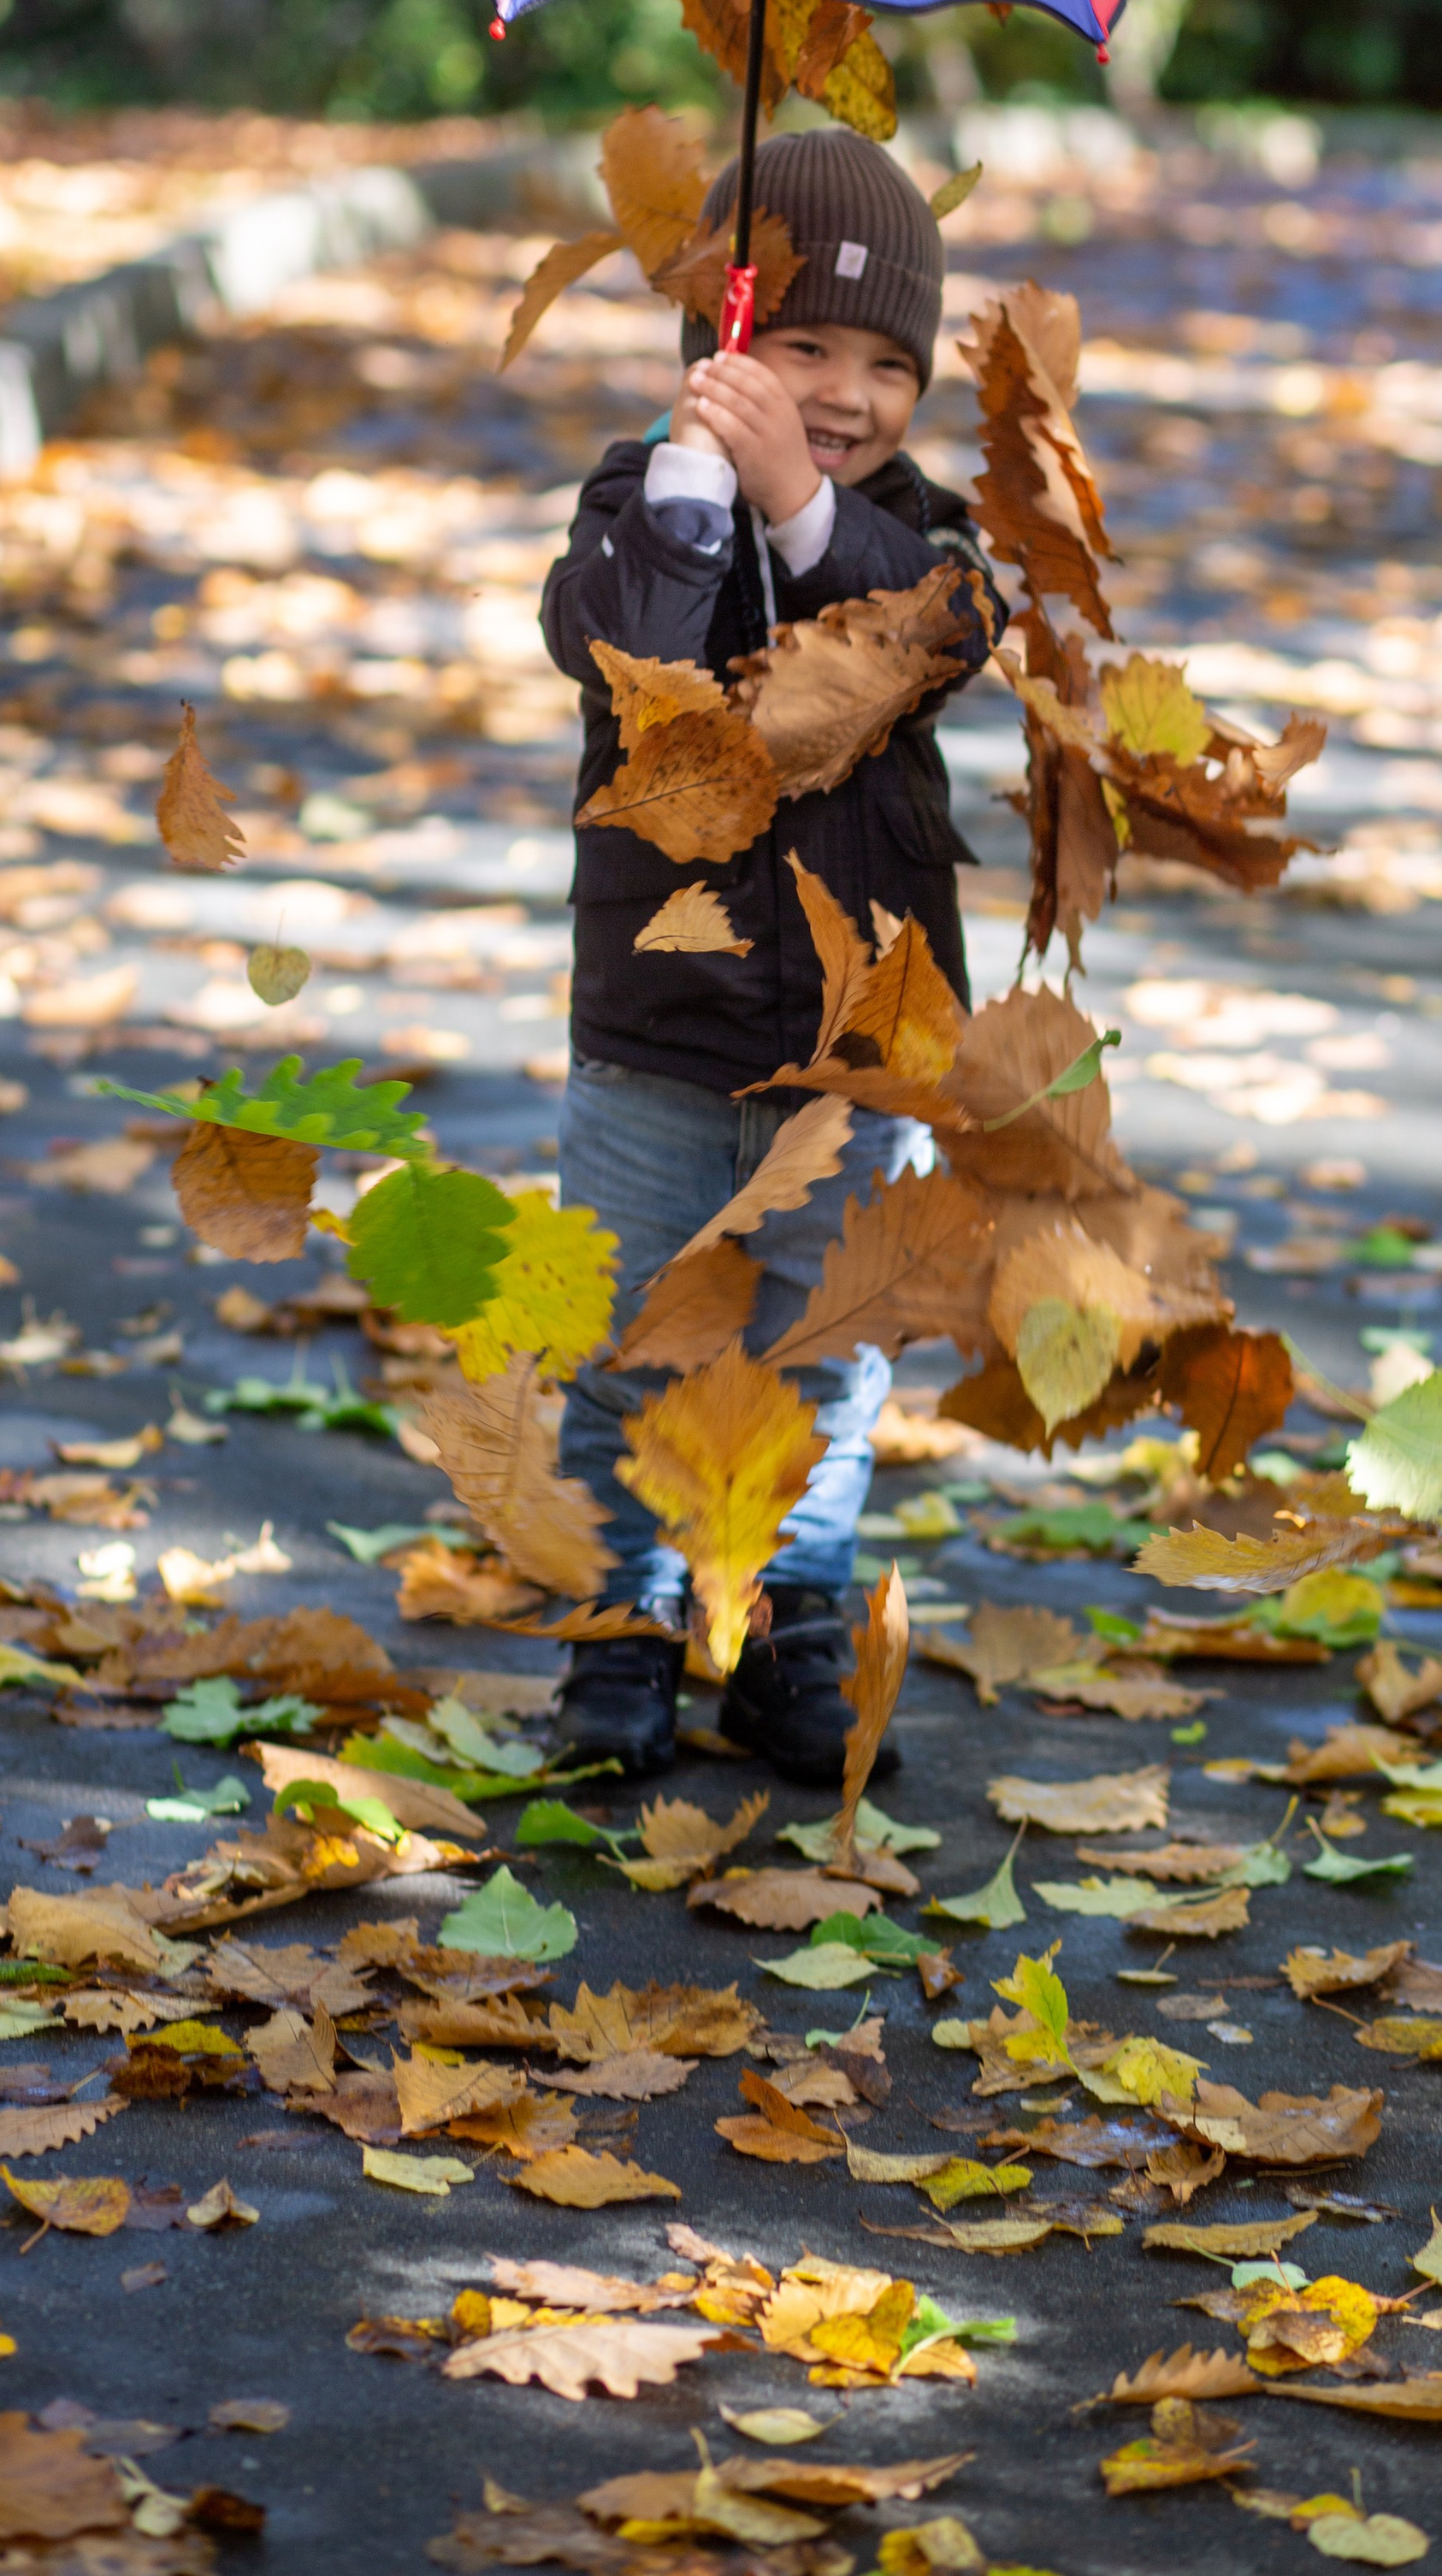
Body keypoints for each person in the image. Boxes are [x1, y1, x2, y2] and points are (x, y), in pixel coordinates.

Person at [537, 125, 1004, 1781]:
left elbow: (921, 651)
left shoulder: (928, 542)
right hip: (657, 1031)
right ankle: (622, 1625)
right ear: (717, 337)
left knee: (822, 1357)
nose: (846, 391)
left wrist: (802, 502)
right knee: (626, 1346)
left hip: (850, 1039)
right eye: (800, 344)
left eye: (888, 361)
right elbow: (618, 656)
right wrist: (692, 493)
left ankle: (787, 1627)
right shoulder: (631, 503)